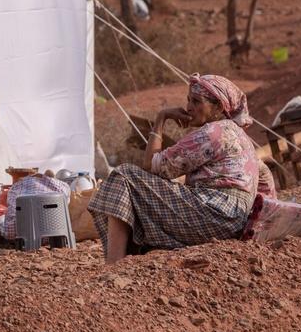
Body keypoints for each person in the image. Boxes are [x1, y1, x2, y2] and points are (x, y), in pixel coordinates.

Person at [89, 74, 259, 264]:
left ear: (218, 107)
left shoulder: (213, 132)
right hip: (235, 218)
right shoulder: (237, 133)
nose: (188, 108)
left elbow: (152, 165)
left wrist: (161, 119)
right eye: (188, 100)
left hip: (218, 214)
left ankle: (114, 264)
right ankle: (130, 259)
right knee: (144, 191)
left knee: (124, 175)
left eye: (196, 101)